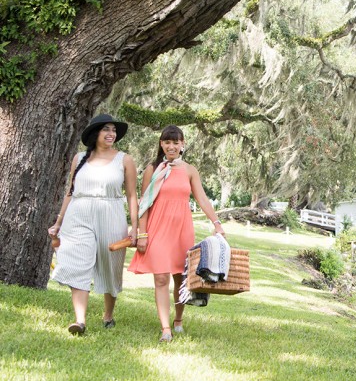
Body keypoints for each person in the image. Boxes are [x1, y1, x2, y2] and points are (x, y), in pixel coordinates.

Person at [128, 125, 225, 342]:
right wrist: (142, 234)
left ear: (182, 145)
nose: (171, 146)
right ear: (161, 144)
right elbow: (144, 204)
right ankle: (165, 328)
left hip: (181, 230)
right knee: (161, 277)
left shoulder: (190, 170)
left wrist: (217, 223)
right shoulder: (153, 170)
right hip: (157, 229)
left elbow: (202, 199)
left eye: (175, 142)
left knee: (180, 278)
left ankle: (178, 319)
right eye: (167, 142)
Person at [48, 114, 138, 335]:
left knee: (111, 266)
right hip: (79, 214)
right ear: (95, 133)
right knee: (78, 262)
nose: (111, 134)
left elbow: (132, 196)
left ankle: (108, 315)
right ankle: (80, 321)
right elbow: (71, 191)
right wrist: (59, 222)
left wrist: (134, 227)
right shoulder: (79, 158)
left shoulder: (124, 159)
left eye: (114, 130)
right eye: (106, 129)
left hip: (111, 214)